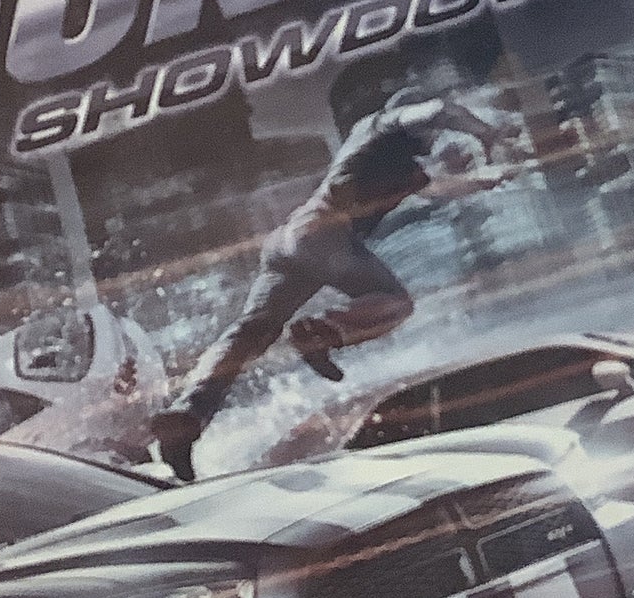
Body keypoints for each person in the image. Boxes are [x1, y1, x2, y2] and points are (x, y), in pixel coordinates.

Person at [151, 83, 513, 480]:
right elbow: (439, 109)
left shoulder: (404, 168)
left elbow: (443, 188)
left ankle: (187, 415)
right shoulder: (379, 126)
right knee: (394, 301)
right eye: (431, 134)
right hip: (324, 234)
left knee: (250, 333)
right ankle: (322, 332)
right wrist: (485, 132)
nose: (435, 141)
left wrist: (491, 177)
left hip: (290, 242)